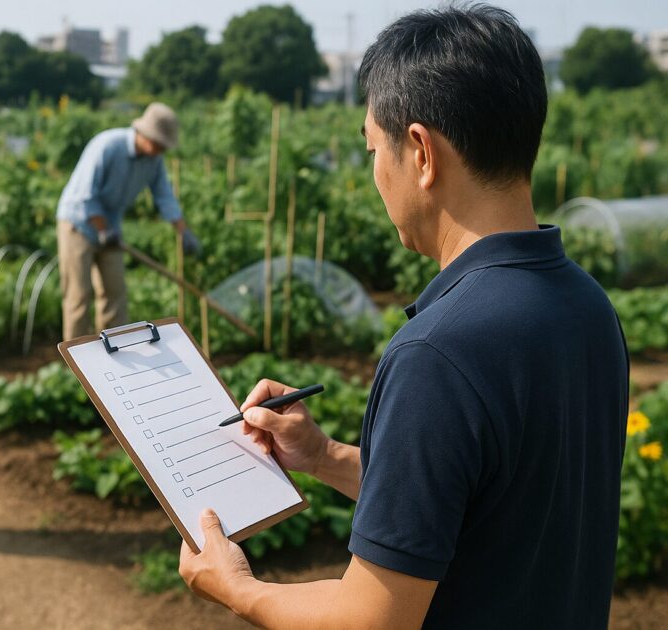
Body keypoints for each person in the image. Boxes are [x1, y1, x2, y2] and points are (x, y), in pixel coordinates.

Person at [178, 6, 629, 628]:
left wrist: (236, 587)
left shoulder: (439, 353)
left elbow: (372, 620)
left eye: (372, 148)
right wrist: (323, 454)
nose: (374, 173)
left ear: (420, 152)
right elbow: (482, 502)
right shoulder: (586, 305)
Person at [55, 102, 201, 340]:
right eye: (158, 144)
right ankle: (73, 365)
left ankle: (113, 358)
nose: (160, 151)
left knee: (115, 294)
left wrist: (183, 231)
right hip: (78, 224)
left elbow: (164, 195)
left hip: (110, 226)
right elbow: (85, 195)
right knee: (78, 296)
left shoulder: (153, 161)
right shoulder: (107, 146)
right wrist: (102, 229)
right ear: (145, 134)